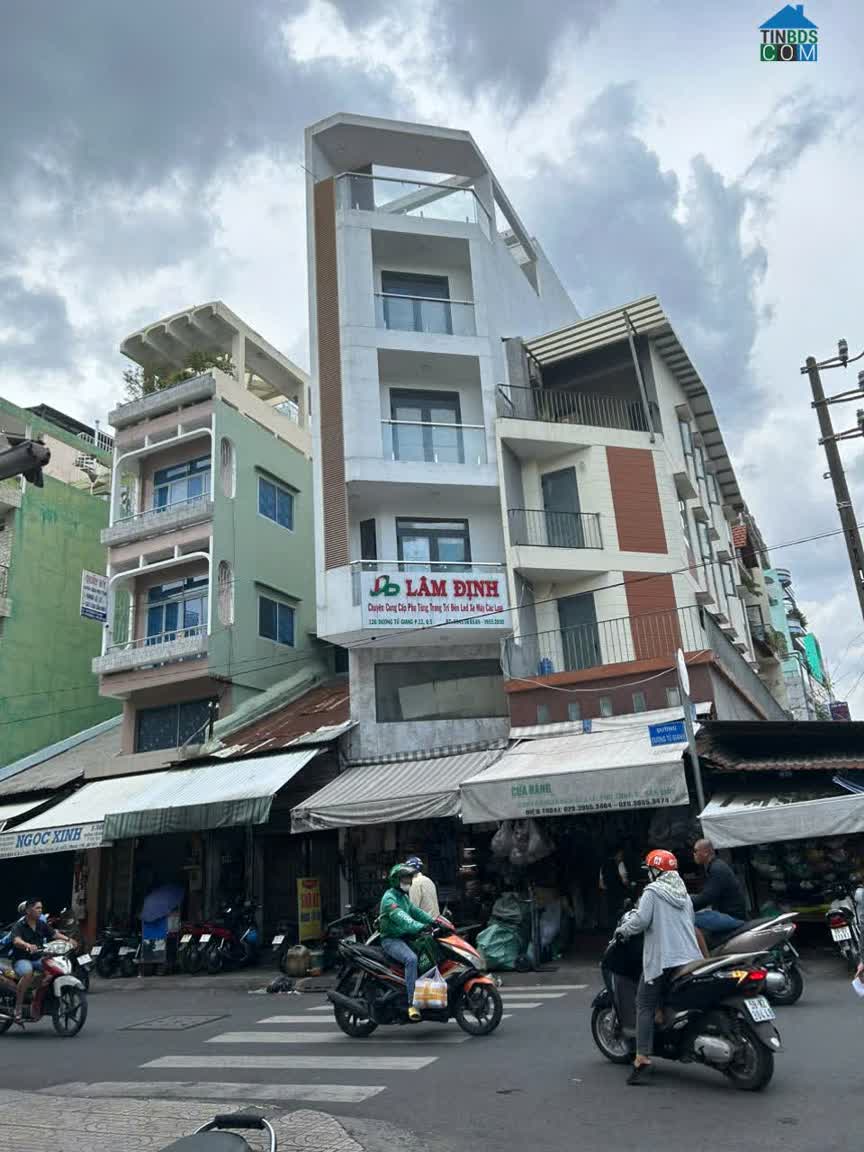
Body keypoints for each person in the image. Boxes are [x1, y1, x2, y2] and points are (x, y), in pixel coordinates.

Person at [616, 849, 703, 1086]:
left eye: (650, 870)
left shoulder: (652, 891)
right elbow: (691, 922)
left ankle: (642, 1058)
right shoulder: (683, 893)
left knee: (644, 1003)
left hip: (664, 958)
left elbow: (641, 920)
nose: (649, 875)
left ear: (656, 871)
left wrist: (623, 930)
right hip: (690, 957)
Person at [378, 864, 441, 1022]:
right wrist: (421, 927)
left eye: (409, 878)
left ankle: (429, 996)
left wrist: (434, 921)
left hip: (405, 937)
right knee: (411, 959)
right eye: (405, 879)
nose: (408, 882)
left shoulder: (404, 898)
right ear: (396, 880)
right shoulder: (389, 899)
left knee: (428, 954)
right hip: (391, 940)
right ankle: (412, 1003)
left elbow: (416, 912)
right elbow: (403, 918)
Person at [10, 897, 68, 1023]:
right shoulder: (19, 925)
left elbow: (54, 934)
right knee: (28, 973)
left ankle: (37, 997)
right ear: (28, 910)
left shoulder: (41, 924)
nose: (40, 910)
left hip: (37, 958)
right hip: (22, 959)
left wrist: (68, 940)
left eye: (41, 908)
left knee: (54, 970)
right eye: (37, 908)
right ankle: (18, 1007)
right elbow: (16, 940)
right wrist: (27, 945)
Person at [692, 839, 747, 935]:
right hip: (726, 913)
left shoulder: (717, 869)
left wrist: (687, 903)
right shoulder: (716, 866)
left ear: (705, 853)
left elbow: (706, 898)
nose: (694, 854)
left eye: (696, 851)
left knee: (691, 919)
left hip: (732, 917)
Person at [599, 847, 631, 928]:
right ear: (616, 855)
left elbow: (601, 879)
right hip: (617, 891)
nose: (622, 857)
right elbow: (624, 880)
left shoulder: (604, 864)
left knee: (609, 911)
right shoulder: (619, 864)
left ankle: (609, 926)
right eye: (620, 855)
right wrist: (628, 887)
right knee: (616, 910)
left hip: (608, 891)